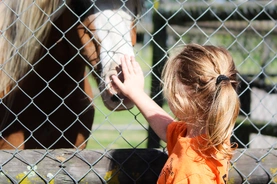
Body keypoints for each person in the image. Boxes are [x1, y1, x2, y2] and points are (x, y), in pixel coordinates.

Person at [111, 43, 240, 184]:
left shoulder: (189, 173)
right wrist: (136, 93)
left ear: (180, 97)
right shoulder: (212, 137)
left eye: (170, 88)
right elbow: (167, 129)